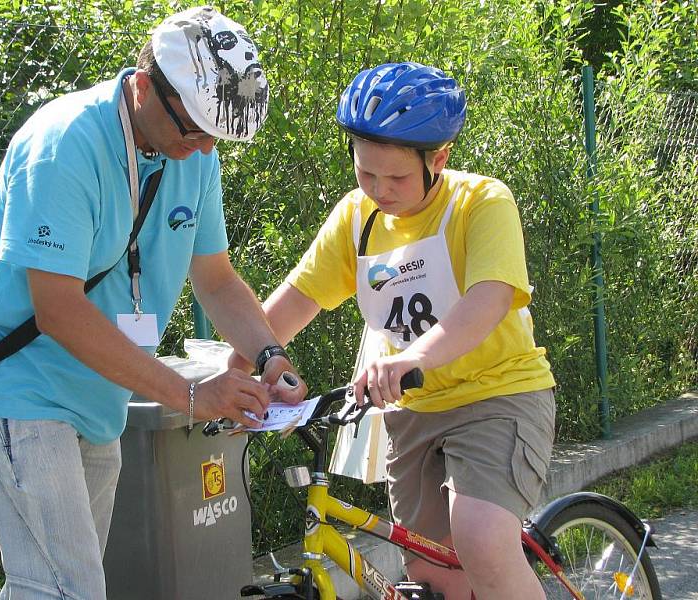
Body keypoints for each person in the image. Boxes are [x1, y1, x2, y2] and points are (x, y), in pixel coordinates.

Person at [0, 7, 306, 599]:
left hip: (101, 397)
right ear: (144, 86)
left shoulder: (194, 151)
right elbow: (58, 310)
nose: (201, 150)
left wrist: (270, 355)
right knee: (67, 590)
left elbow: (217, 281)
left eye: (214, 137)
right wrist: (192, 396)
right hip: (23, 390)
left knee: (57, 589)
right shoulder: (64, 144)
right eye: (193, 131)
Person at [229, 62, 556, 600]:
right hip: (414, 410)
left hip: (500, 395)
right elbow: (293, 303)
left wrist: (412, 358)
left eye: (397, 177)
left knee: (481, 539)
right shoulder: (356, 218)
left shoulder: (480, 203)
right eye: (366, 173)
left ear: (440, 159)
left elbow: (489, 298)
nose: (380, 189)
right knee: (432, 578)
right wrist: (235, 374)